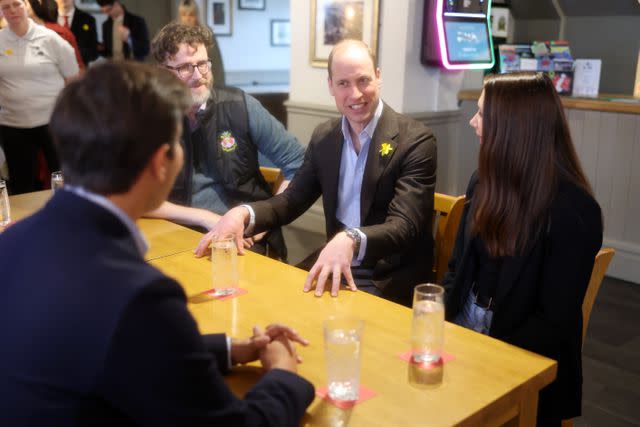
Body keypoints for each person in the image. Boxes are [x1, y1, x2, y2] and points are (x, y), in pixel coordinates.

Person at [0, 61, 314, 426]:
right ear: (159, 164)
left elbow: (109, 347)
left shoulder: (13, 242)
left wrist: (231, 349)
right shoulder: (140, 296)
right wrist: (285, 376)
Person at [197, 39, 437, 307]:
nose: (355, 94)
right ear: (331, 86)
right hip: (335, 262)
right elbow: (291, 201)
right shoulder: (325, 137)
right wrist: (243, 214)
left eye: (363, 81)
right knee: (268, 301)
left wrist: (351, 238)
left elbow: (405, 226)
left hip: (389, 273)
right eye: (344, 83)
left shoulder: (416, 140)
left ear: (378, 77)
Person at [443, 72, 603, 426]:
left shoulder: (574, 212)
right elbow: (456, 269)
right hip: (465, 327)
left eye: (482, 113)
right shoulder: (483, 181)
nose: (472, 121)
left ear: (515, 127)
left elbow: (550, 324)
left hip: (522, 352)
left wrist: (477, 355)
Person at [147, 23, 305, 260]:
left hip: (244, 241)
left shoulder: (240, 106)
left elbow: (299, 164)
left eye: (202, 64)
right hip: (178, 234)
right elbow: (138, 196)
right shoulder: (150, 118)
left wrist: (262, 217)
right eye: (185, 68)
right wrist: (205, 217)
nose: (199, 75)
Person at [0, 0, 79, 194]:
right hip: (13, 123)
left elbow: (73, 78)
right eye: (5, 7)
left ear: (26, 5)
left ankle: (67, 217)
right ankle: (23, 224)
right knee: (21, 184)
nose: (12, 10)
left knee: (62, 177)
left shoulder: (51, 38)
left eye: (16, 4)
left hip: (52, 121)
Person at [177, 0, 225, 86]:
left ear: (196, 16)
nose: (187, 18)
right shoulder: (177, 37)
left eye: (191, 15)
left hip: (207, 83)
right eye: (184, 15)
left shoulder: (206, 35)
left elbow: (217, 65)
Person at [26, 0, 84, 70]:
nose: (15, 9)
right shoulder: (16, 32)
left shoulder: (60, 33)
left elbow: (77, 66)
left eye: (24, 2)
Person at [55, 0, 98, 66]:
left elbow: (93, 52)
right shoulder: (47, 19)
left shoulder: (88, 20)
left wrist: (74, 53)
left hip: (79, 70)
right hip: (53, 71)